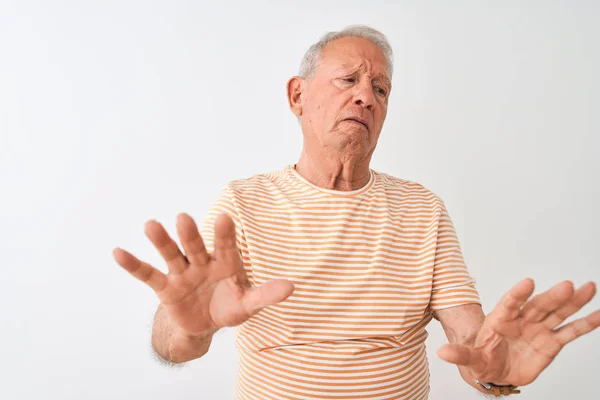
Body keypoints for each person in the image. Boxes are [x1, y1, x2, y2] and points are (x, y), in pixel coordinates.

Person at [112, 25, 599, 400]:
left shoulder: (422, 209)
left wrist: (494, 373)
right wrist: (193, 327)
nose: (366, 96)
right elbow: (177, 344)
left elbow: (472, 343)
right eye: (348, 80)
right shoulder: (243, 204)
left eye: (381, 89)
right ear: (297, 96)